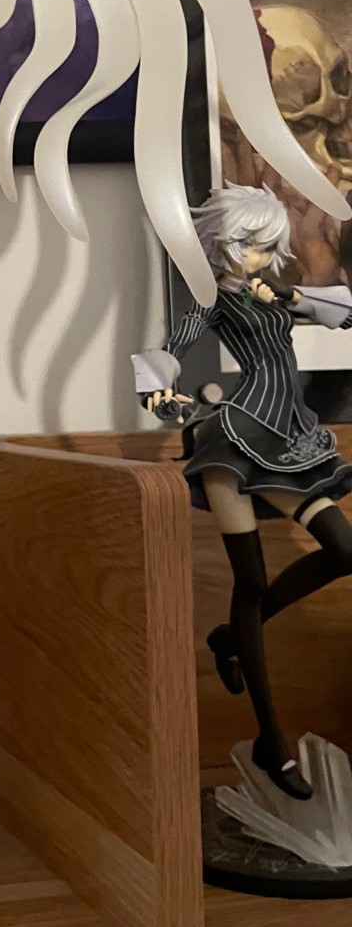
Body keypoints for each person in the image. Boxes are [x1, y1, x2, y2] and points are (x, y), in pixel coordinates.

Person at [134, 184, 352, 800]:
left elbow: (345, 313)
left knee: (345, 551)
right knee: (250, 583)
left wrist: (291, 295)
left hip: (289, 435)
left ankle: (231, 638)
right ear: (220, 244)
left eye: (265, 244)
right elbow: (165, 354)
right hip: (234, 441)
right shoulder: (211, 301)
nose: (257, 254)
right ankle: (270, 740)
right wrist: (159, 397)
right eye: (246, 243)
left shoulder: (270, 292)